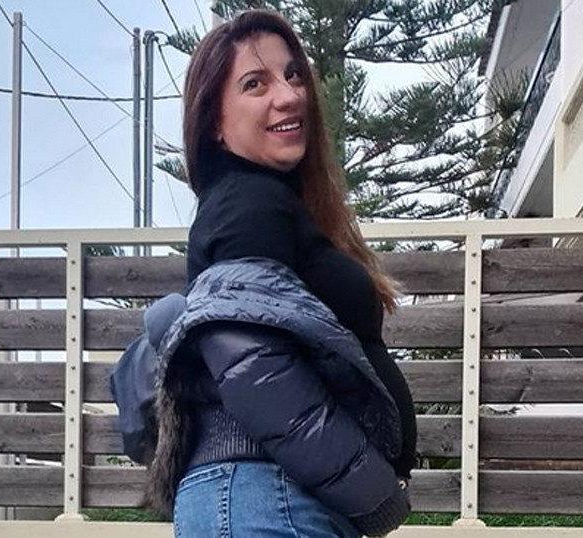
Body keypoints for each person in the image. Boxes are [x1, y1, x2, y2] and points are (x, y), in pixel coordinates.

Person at [142, 9, 417, 537]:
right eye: (255, 84)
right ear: (214, 123)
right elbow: (254, 372)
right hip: (265, 499)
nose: (289, 95)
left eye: (293, 75)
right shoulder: (247, 207)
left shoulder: (267, 204)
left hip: (270, 498)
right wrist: (373, 491)